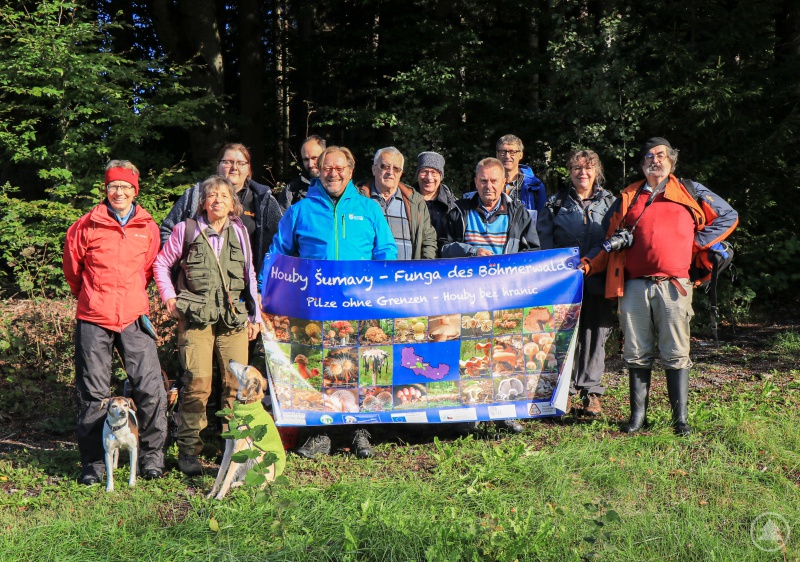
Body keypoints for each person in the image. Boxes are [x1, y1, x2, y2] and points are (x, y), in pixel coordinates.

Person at [582, 137, 738, 435]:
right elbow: (608, 242)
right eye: (650, 156)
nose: (656, 160)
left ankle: (680, 420)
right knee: (636, 352)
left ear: (672, 160)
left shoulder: (689, 190)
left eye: (661, 155)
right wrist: (587, 265)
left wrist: (696, 242)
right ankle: (637, 417)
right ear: (642, 164)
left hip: (674, 285)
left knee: (676, 351)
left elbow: (728, 215)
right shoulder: (628, 196)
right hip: (634, 286)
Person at [270, 146, 397, 458]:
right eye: (327, 167)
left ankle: (360, 433)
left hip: (360, 306)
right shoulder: (301, 210)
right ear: (319, 170)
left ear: (351, 171)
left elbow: (387, 252)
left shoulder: (369, 209)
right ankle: (319, 435)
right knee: (318, 368)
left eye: (340, 168)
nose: (333, 173)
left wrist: (380, 289)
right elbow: (278, 254)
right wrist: (266, 294)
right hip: (313, 306)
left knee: (362, 369)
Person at [63, 160, 167, 484]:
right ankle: (94, 466)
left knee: (150, 389)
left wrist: (133, 296)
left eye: (125, 186)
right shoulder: (85, 226)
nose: (119, 191)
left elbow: (149, 269)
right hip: (94, 316)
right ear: (105, 189)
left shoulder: (148, 227)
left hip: (134, 316)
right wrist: (91, 297)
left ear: (135, 190)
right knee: (93, 393)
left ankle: (151, 459)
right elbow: (72, 268)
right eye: (113, 186)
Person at [154, 175, 265, 475]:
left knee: (236, 385)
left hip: (233, 319)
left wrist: (255, 317)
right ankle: (189, 452)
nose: (217, 200)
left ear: (233, 204)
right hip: (195, 319)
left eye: (224, 196)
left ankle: (235, 448)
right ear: (203, 201)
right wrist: (168, 298)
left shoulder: (240, 231)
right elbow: (161, 264)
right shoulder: (185, 230)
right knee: (197, 384)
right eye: (212, 195)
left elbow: (249, 275)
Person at [441, 157, 542, 434]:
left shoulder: (519, 212)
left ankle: (504, 412)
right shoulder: (458, 211)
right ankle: (468, 413)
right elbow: (442, 247)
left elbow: (532, 252)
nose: (488, 186)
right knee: (469, 354)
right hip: (465, 297)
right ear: (475, 182)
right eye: (483, 180)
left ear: (504, 183)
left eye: (494, 180)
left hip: (504, 296)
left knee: (503, 352)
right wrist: (472, 252)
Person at [548, 150, 616, 416]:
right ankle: (564, 391)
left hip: (598, 277)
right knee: (564, 335)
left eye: (587, 168)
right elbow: (545, 242)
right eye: (576, 168)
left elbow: (615, 238)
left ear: (596, 171)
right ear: (569, 171)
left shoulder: (611, 202)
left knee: (595, 334)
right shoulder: (555, 203)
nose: (582, 173)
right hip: (564, 282)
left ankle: (591, 392)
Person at [160, 143, 282, 283]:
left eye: (241, 163)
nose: (234, 167)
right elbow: (167, 230)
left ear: (249, 169)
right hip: (198, 291)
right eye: (227, 162)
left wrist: (262, 286)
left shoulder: (263, 201)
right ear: (218, 167)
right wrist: (181, 265)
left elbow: (278, 245)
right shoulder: (196, 194)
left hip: (246, 289)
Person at [358, 147, 438, 260]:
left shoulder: (415, 201)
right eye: (385, 166)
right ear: (374, 169)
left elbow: (428, 239)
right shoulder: (358, 200)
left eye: (396, 168)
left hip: (408, 274)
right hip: (370, 274)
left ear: (401, 173)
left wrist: (426, 266)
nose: (390, 172)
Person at [495, 134, 553, 248]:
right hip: (495, 246)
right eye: (503, 151)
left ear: (520, 154)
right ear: (497, 154)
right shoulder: (487, 183)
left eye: (512, 152)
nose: (507, 156)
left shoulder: (535, 186)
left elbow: (543, 224)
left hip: (524, 248)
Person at [412, 151, 459, 255]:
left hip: (447, 264)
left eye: (434, 172)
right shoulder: (407, 201)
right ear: (417, 174)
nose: (429, 178)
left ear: (441, 176)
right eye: (424, 171)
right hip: (414, 263)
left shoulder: (453, 205)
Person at [277, 135, 326, 211]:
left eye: (314, 158)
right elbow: (283, 221)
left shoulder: (337, 186)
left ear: (325, 156)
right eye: (306, 159)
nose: (310, 164)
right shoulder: (291, 190)